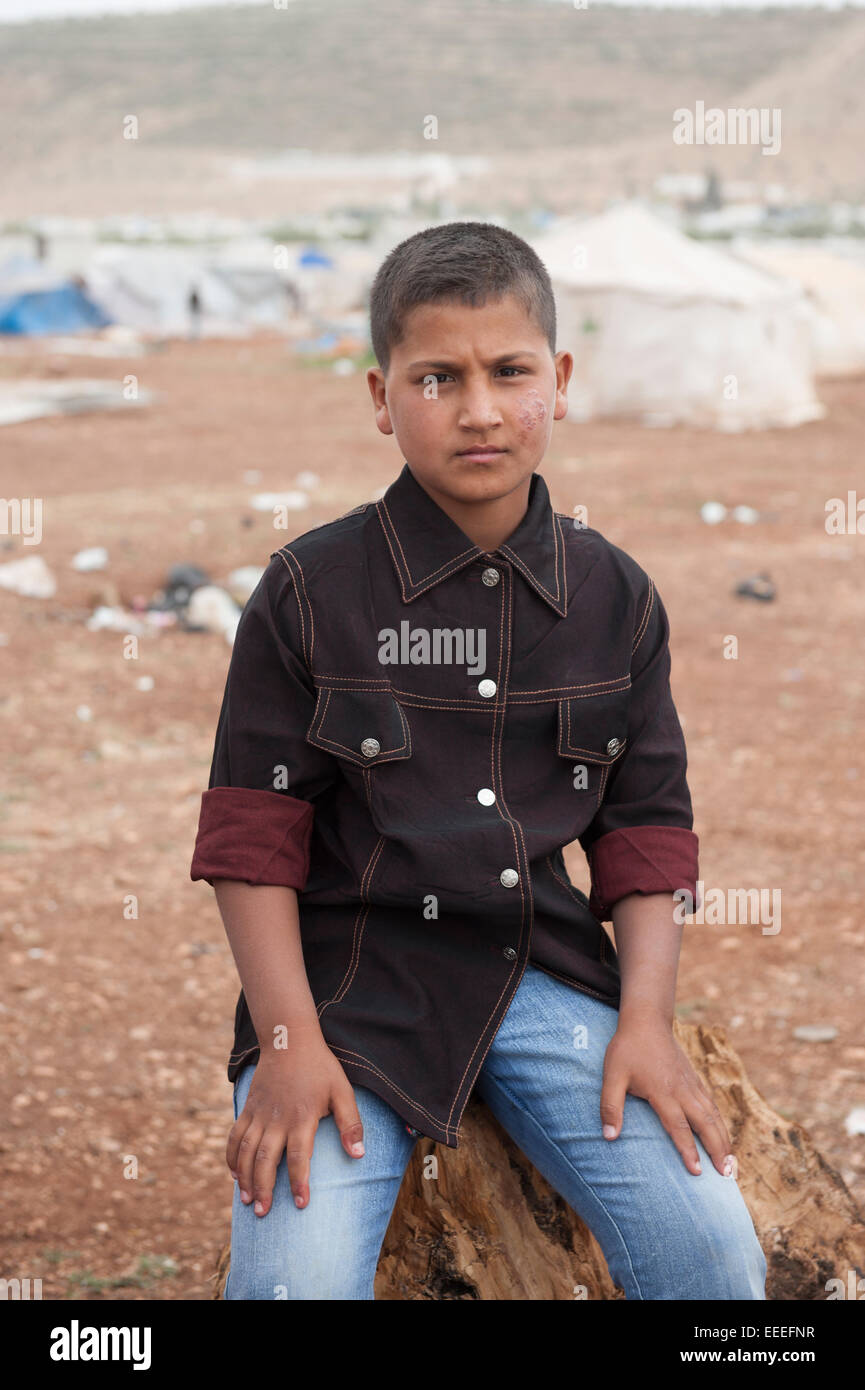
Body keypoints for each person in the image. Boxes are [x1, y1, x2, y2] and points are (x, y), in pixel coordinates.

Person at [190, 221, 767, 1301]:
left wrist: (643, 1021)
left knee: (711, 1253)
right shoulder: (309, 591)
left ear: (558, 378)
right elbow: (250, 841)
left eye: (508, 373)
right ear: (380, 395)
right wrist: (284, 1042)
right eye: (437, 377)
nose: (480, 409)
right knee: (292, 1288)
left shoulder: (616, 597)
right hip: (345, 1000)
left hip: (542, 979)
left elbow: (644, 835)